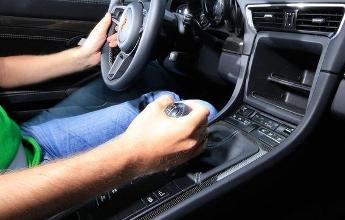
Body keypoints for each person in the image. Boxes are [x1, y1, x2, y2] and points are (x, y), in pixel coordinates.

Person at [0, 13, 216, 219]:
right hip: (17, 188)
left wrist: (82, 56)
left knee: (166, 101)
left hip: (24, 141)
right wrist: (133, 156)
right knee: (196, 113)